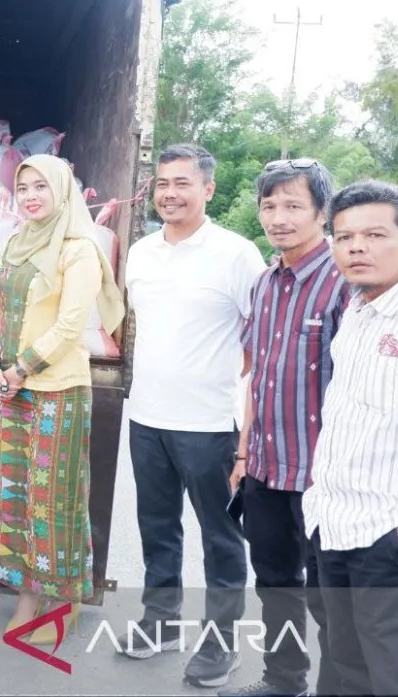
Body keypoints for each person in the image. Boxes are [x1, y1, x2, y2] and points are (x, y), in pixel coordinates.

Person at [123, 144, 266, 688]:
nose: (170, 193)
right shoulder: (141, 252)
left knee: (220, 537)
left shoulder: (236, 254)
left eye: (182, 183)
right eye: (162, 183)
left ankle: (221, 641)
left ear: (208, 189)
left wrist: (234, 402)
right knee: (157, 527)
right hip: (147, 417)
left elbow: (259, 339)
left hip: (209, 425)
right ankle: (160, 621)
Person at [0, 154, 125, 643]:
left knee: (53, 500)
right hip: (10, 388)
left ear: (62, 191)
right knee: (15, 496)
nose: (31, 196)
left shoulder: (78, 249)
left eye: (41, 186)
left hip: (56, 390)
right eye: (23, 188)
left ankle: (60, 600)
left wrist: (20, 368)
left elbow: (69, 325)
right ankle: (29, 593)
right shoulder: (17, 243)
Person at [221, 159, 346, 697]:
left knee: (332, 600)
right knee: (274, 582)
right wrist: (243, 455)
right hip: (268, 470)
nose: (279, 217)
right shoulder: (266, 283)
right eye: (269, 206)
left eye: (293, 205)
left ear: (322, 212)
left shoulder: (344, 282)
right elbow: (258, 375)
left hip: (325, 477)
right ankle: (283, 680)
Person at [302, 180, 398, 697]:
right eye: (344, 237)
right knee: (345, 664)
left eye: (375, 235)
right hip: (333, 521)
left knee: (390, 672)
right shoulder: (358, 309)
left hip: (385, 532)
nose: (357, 247)